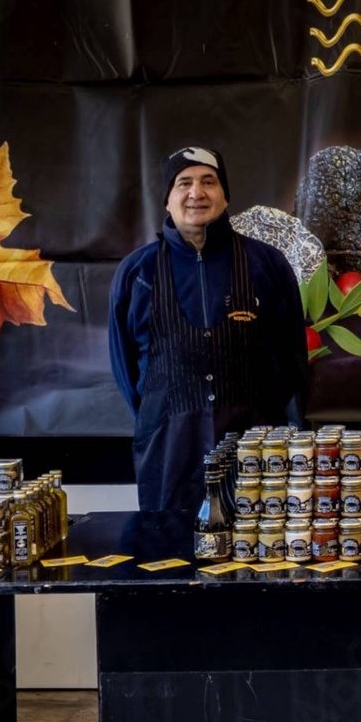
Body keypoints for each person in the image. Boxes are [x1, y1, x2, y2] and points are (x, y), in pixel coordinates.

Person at [109, 145, 308, 517]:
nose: (196, 193)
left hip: (257, 458)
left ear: (225, 194)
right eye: (183, 183)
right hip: (168, 458)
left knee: (259, 561)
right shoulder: (137, 273)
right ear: (167, 200)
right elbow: (127, 371)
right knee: (168, 562)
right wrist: (167, 416)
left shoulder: (267, 264)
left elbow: (293, 361)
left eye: (208, 182)